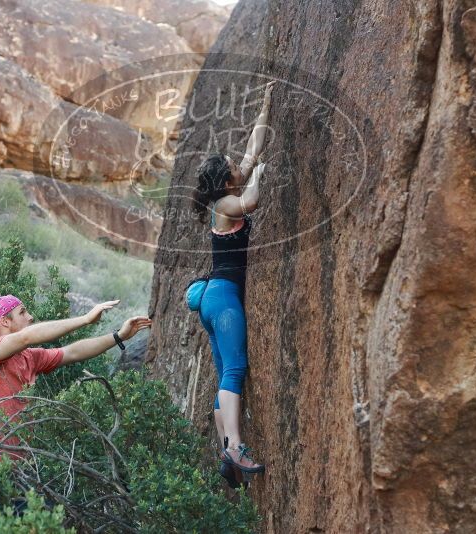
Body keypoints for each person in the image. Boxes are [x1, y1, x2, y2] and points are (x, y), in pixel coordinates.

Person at [191, 80, 275, 484]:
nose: (238, 166)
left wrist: (265, 105)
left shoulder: (224, 191)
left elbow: (251, 149)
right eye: (234, 168)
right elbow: (251, 201)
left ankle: (226, 454)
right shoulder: (224, 204)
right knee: (235, 369)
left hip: (214, 301)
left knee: (225, 370)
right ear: (226, 181)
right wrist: (258, 175)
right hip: (223, 300)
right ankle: (235, 448)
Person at [0, 294, 151, 466]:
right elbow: (26, 337)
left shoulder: (29, 358)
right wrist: (85, 319)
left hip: (16, 470)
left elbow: (72, 352)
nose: (30, 317)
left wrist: (119, 336)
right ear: (5, 322)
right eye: (22, 312)